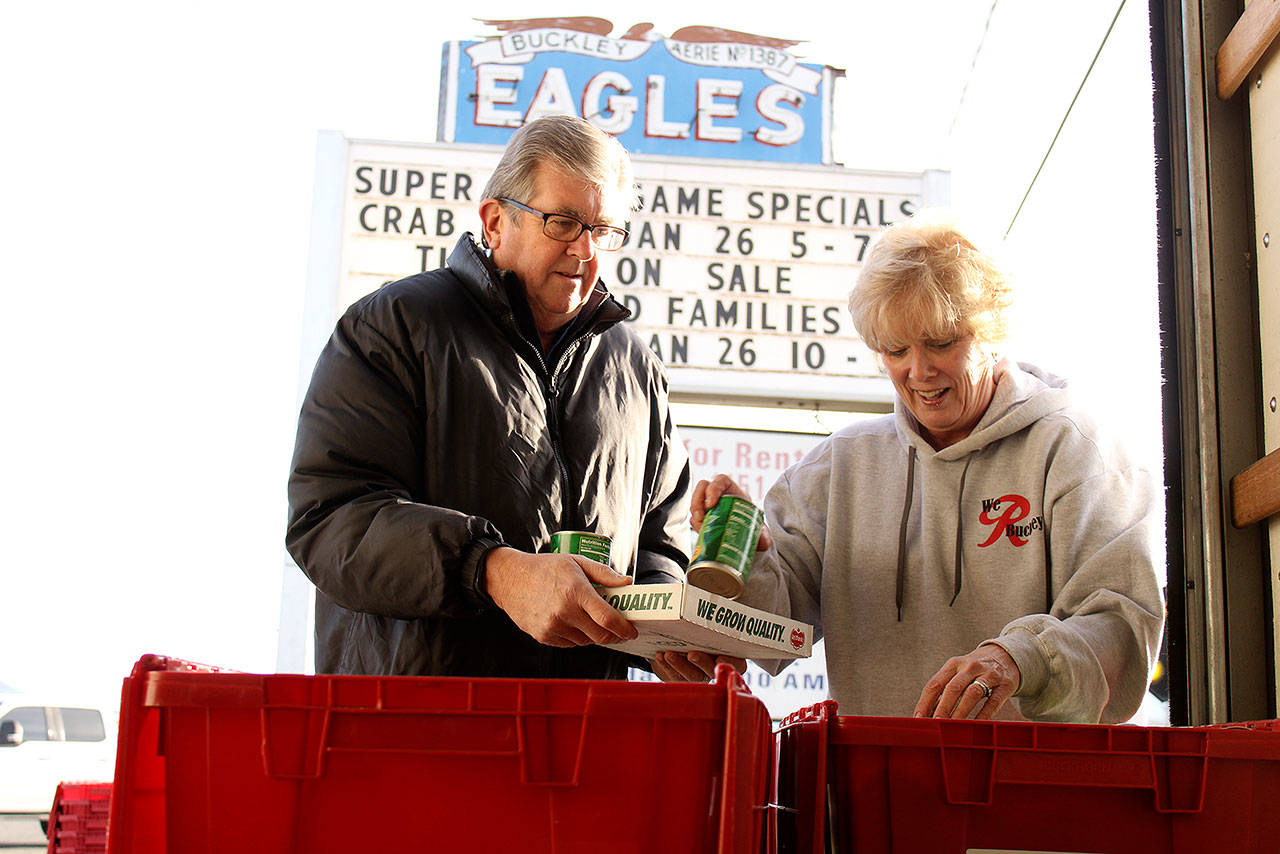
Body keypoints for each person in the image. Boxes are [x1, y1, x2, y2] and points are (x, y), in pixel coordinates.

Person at [287, 115, 730, 681]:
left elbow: (658, 542)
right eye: (563, 222)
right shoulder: (394, 325)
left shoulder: (636, 369)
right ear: (495, 222)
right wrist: (492, 570)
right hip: (414, 723)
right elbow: (330, 520)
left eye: (603, 230)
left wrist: (667, 629)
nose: (584, 250)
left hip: (585, 727)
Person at [682, 213, 1165, 722]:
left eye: (941, 343)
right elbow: (773, 636)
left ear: (992, 332)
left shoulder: (1079, 451)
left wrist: (1021, 659)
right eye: (896, 350)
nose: (919, 371)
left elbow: (1121, 627)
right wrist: (750, 557)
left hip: (1027, 770)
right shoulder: (837, 468)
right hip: (876, 766)